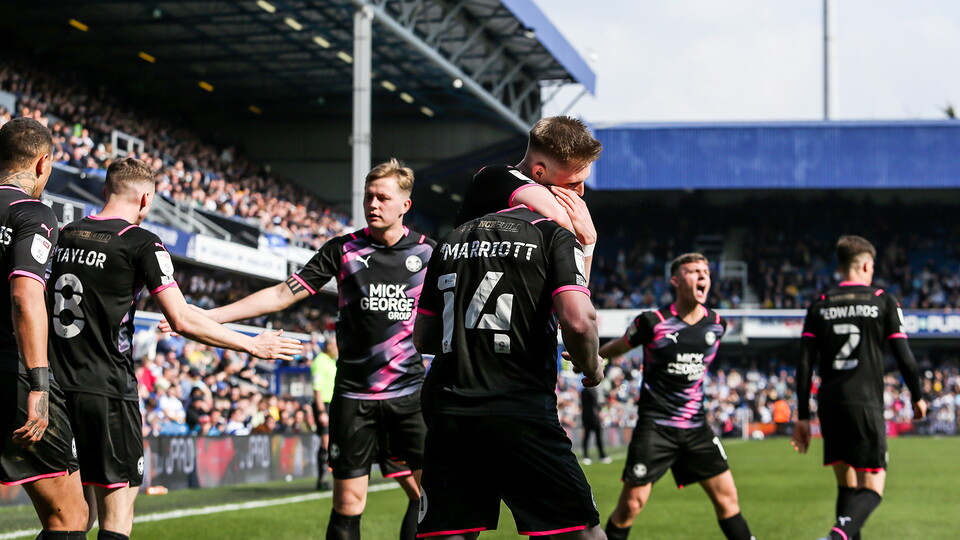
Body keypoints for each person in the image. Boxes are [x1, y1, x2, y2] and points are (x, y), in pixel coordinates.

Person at [170, 159, 434, 540]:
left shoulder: (429, 254)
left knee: (428, 498)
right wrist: (209, 316)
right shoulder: (343, 250)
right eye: (368, 197)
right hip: (352, 398)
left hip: (410, 397)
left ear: (404, 205)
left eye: (383, 198)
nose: (373, 204)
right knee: (346, 505)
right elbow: (281, 294)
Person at [48, 157, 303, 540]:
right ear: (146, 198)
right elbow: (181, 319)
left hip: (56, 386)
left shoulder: (65, 232)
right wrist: (251, 344)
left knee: (73, 516)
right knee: (116, 509)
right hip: (107, 389)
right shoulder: (142, 242)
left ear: (105, 190)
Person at [414, 205, 605, 539]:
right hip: (519, 409)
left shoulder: (449, 241)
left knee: (449, 534)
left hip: (450, 410)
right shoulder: (552, 235)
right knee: (578, 531)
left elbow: (424, 337)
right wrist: (593, 365)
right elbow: (577, 320)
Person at [598, 253, 755, 540]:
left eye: (705, 271)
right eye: (693, 270)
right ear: (675, 280)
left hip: (696, 428)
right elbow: (621, 345)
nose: (702, 276)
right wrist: (593, 357)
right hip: (656, 428)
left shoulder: (717, 324)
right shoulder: (653, 321)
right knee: (630, 506)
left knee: (728, 500)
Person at [792, 235, 926, 540]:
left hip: (830, 403)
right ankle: (835, 538)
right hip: (864, 401)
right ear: (866, 265)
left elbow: (803, 365)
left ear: (840, 267)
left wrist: (802, 416)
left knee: (846, 485)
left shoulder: (820, 304)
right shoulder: (882, 300)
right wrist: (918, 396)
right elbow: (905, 357)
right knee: (873, 489)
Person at [0, 117, 88, 539]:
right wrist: (39, 383)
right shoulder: (32, 211)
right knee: (69, 518)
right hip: (11, 375)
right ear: (42, 164)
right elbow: (24, 295)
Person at [454, 116, 602, 279]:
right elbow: (559, 216)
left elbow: (576, 288)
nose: (581, 192)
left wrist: (588, 244)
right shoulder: (494, 176)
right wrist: (575, 231)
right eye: (573, 183)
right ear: (539, 172)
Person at [312, 333, 337, 491]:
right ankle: (322, 479)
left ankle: (329, 475)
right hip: (324, 405)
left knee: (332, 441)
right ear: (328, 345)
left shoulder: (331, 361)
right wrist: (321, 411)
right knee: (325, 441)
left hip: (333, 404)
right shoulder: (320, 361)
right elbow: (317, 388)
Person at [580, 384, 610, 465]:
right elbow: (596, 404)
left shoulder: (583, 391)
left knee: (587, 436)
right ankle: (602, 455)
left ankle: (586, 456)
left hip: (585, 416)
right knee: (597, 437)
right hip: (594, 417)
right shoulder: (593, 390)